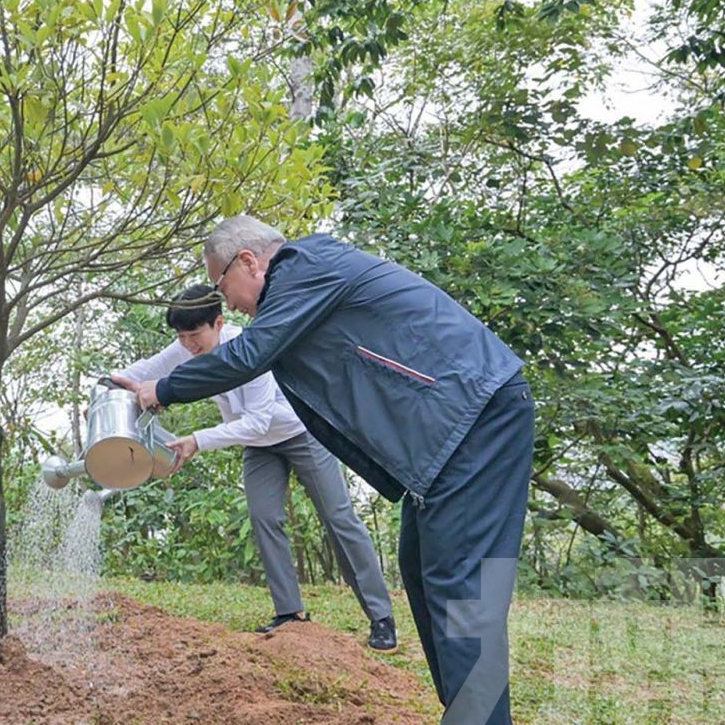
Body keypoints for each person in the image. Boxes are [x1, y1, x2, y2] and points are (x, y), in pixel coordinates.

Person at [115, 215, 533, 725]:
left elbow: (248, 353)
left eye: (223, 287)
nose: (228, 304)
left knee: (462, 583)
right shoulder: (302, 283)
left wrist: (162, 392)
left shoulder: (305, 269)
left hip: (475, 413)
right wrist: (131, 382)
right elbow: (199, 354)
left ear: (248, 261)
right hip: (446, 434)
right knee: (424, 569)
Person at [112, 283, 396, 651]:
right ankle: (290, 613)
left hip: (300, 431)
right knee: (264, 518)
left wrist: (198, 440)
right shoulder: (184, 347)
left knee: (339, 518)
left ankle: (381, 617)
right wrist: (109, 391)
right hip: (259, 447)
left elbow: (258, 420)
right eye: (181, 337)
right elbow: (138, 372)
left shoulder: (248, 348)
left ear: (218, 322)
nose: (188, 345)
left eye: (195, 334)